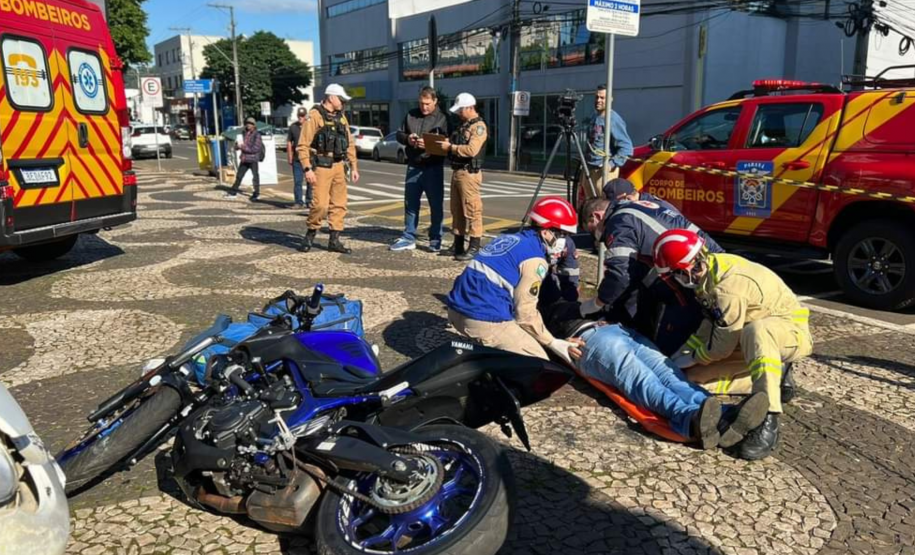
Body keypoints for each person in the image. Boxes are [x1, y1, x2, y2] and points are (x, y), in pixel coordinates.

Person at [652, 229, 814, 460]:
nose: (675, 280)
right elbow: (710, 323)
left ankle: (768, 418)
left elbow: (721, 347)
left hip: (786, 333)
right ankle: (773, 375)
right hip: (748, 340)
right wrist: (681, 357)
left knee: (758, 330)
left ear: (684, 269)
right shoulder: (709, 272)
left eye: (674, 275)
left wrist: (695, 355)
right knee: (692, 377)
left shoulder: (728, 288)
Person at [541, 302, 770, 450]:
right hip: (590, 339)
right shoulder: (539, 307)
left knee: (671, 375)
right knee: (644, 381)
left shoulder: (576, 293)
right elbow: (531, 331)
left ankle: (725, 415)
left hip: (623, 331)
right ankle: (688, 418)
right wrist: (557, 343)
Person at [446, 197, 582, 363]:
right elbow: (525, 314)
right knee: (538, 364)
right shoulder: (535, 260)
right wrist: (553, 342)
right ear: (546, 231)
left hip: (456, 309)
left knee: (524, 337)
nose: (565, 241)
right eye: (562, 234)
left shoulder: (510, 239)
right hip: (482, 318)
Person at [578, 194, 723, 325]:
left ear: (596, 216)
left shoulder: (618, 223)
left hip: (686, 281)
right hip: (712, 262)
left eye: (592, 230)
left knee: (670, 338)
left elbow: (620, 275)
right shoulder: (641, 205)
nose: (596, 237)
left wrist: (597, 303)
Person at [296, 84, 360, 254]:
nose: (343, 103)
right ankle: (310, 234)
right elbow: (302, 145)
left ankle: (334, 240)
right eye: (341, 99)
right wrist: (307, 169)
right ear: (331, 97)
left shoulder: (342, 117)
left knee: (339, 204)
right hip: (321, 165)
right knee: (320, 206)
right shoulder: (315, 116)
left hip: (339, 165)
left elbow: (350, 143)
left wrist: (354, 166)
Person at [390, 86, 450, 253]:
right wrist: (408, 139)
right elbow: (399, 134)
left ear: (435, 101)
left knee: (436, 204)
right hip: (414, 165)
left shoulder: (443, 118)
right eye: (422, 103)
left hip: (433, 166)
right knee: (410, 203)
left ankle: (435, 238)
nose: (424, 107)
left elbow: (449, 142)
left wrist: (430, 144)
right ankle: (409, 236)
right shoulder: (411, 114)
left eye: (428, 104)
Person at [437, 93, 487, 261]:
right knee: (457, 209)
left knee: (472, 209)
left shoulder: (478, 127)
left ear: (469, 108)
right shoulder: (464, 125)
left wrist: (451, 147)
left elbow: (472, 150)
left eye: (460, 110)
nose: (458, 113)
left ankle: (474, 246)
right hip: (458, 171)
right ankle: (458, 244)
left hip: (469, 173)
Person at [578, 85, 633, 204]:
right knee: (589, 206)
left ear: (610, 99)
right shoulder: (594, 117)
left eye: (602, 98)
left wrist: (611, 164)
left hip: (603, 172)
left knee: (603, 206)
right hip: (589, 170)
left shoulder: (613, 119)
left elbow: (626, 147)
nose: (598, 100)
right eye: (597, 97)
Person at [227, 117, 263, 201]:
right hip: (244, 158)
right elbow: (238, 146)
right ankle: (233, 192)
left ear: (254, 125)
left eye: (250, 123)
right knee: (239, 176)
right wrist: (237, 146)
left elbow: (256, 148)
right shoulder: (243, 133)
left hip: (253, 159)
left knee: (255, 177)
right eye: (247, 123)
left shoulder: (257, 135)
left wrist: (243, 147)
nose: (248, 125)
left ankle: (256, 193)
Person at [287, 107, 311, 208]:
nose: (301, 117)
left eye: (302, 116)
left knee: (310, 181)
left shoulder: (310, 126)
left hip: (309, 158)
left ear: (305, 116)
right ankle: (298, 201)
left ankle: (309, 201)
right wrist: (289, 156)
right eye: (299, 116)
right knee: (297, 181)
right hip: (297, 159)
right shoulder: (293, 127)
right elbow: (289, 142)